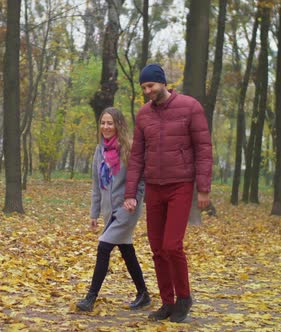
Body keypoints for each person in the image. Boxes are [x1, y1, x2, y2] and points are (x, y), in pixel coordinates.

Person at [123, 64, 212, 323]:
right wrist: (131, 193)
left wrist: (203, 189)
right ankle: (167, 303)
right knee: (157, 249)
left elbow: (204, 149)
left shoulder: (190, 107)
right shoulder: (144, 115)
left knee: (172, 246)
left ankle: (184, 298)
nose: (148, 91)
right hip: (154, 187)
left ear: (162, 83)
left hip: (180, 185)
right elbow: (137, 156)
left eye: (150, 86)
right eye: (144, 88)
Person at [76, 107, 150, 312]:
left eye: (110, 123)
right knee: (126, 250)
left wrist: (134, 199)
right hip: (110, 212)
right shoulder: (99, 151)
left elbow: (141, 180)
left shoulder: (130, 148)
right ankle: (143, 293)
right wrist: (94, 213)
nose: (106, 127)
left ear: (119, 124)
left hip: (127, 209)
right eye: (103, 123)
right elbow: (96, 185)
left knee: (104, 246)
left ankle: (90, 298)